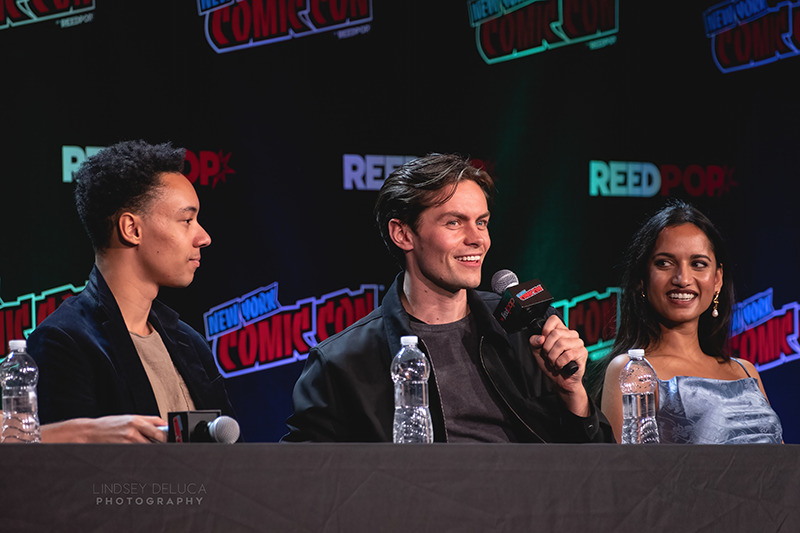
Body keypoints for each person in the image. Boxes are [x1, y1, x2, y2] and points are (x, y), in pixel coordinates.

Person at [283, 154, 613, 443]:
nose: (477, 239)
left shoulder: (527, 330)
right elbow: (306, 477)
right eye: (454, 222)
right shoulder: (342, 362)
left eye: (482, 222)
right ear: (403, 234)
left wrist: (573, 393)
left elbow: (598, 469)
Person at [27, 140, 234, 441]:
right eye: (187, 221)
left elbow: (233, 457)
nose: (203, 237)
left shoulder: (190, 342)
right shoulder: (63, 342)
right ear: (132, 229)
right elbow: (66, 466)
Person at [598, 199, 782, 444]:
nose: (683, 279)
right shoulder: (632, 371)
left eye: (698, 264)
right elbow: (624, 467)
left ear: (717, 280)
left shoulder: (746, 371)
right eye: (664, 263)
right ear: (642, 279)